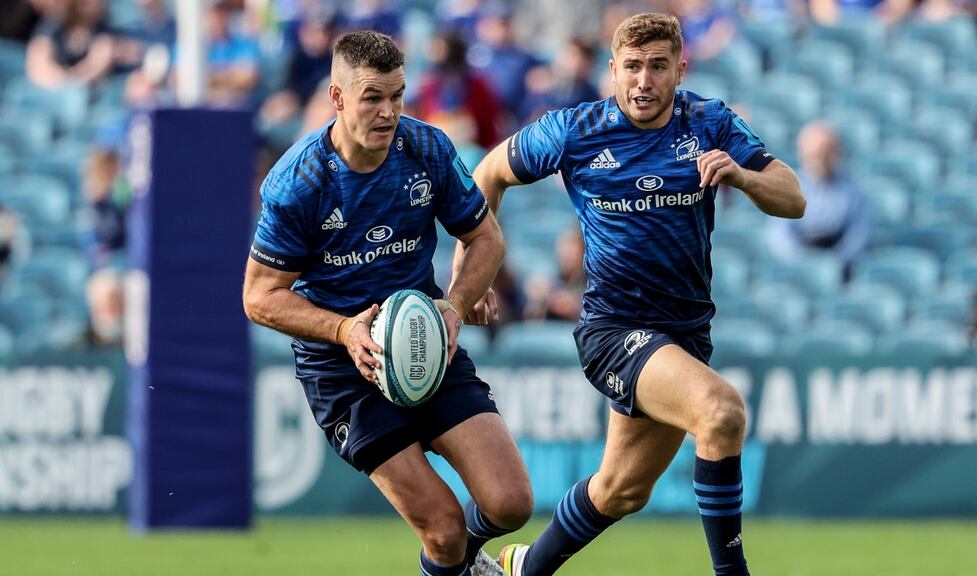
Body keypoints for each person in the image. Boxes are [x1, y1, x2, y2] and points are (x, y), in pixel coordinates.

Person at [459, 13, 804, 576]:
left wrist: (743, 175)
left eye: (658, 67)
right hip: (614, 329)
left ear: (680, 70)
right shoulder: (574, 130)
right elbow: (488, 172)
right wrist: (471, 277)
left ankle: (522, 567)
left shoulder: (709, 122)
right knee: (720, 414)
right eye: (633, 67)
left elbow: (793, 198)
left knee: (620, 490)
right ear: (612, 71)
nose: (644, 80)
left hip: (685, 333)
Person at [241, 31, 532, 576]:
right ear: (337, 98)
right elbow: (259, 297)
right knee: (443, 531)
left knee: (510, 502)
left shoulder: (427, 149)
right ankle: (464, 564)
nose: (389, 111)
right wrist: (346, 330)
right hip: (342, 367)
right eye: (373, 96)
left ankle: (471, 563)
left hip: (423, 336)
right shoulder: (299, 182)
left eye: (397, 95)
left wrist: (454, 304)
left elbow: (486, 238)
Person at [765, 121, 871, 278]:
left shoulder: (854, 190)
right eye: (815, 154)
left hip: (841, 269)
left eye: (827, 152)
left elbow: (860, 234)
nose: (821, 159)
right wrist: (803, 262)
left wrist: (835, 262)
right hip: (799, 267)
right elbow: (780, 235)